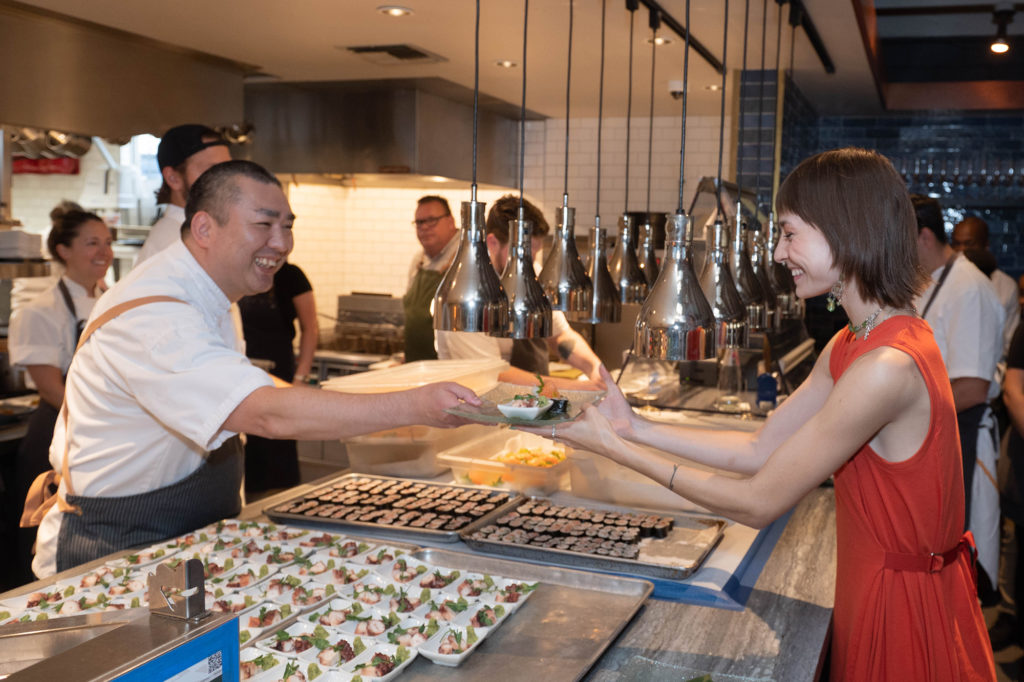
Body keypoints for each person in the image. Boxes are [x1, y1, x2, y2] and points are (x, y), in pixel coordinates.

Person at [530, 148, 995, 679]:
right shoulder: (853, 340)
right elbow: (761, 448)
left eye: (791, 234)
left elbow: (758, 501)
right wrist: (634, 425)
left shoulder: (886, 365)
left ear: (845, 233)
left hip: (901, 605)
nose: (778, 253)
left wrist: (618, 451)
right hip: (869, 579)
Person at [28, 160, 478, 578]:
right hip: (113, 547)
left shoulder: (210, 297)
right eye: (263, 225)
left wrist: (372, 409)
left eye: (286, 226)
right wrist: (417, 405)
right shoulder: (155, 315)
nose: (281, 243)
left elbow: (253, 384)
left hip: (182, 538)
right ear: (203, 226)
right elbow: (265, 412)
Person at [7, 205, 113, 585]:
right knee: (48, 535)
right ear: (64, 250)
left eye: (107, 242)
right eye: (92, 243)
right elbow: (52, 386)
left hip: (106, 430)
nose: (104, 251)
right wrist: (105, 420)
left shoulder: (118, 301)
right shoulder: (40, 311)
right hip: (61, 430)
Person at [912, 194, 1005, 598]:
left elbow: (971, 388)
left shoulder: (970, 289)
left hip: (960, 440)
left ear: (924, 236)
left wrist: (898, 409)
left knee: (956, 573)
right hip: (932, 437)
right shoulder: (928, 283)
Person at [435, 194, 603, 393]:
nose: (531, 261)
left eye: (535, 252)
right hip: (477, 412)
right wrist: (583, 388)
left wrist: (597, 371)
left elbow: (560, 337)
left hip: (527, 406)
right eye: (525, 251)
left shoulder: (531, 273)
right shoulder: (465, 295)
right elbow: (493, 374)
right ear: (493, 243)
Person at [237, 261, 317, 494]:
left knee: (278, 459)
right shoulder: (239, 273)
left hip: (280, 376)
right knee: (249, 458)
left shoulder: (292, 276)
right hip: (244, 380)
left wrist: (300, 377)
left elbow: (310, 328)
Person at [136, 124, 232, 264]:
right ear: (173, 178)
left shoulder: (201, 232)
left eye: (229, 169)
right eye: (212, 171)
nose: (227, 180)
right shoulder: (172, 243)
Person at [952, 215, 1019, 357]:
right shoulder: (942, 281)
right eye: (957, 244)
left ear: (986, 245)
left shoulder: (1006, 286)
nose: (962, 250)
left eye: (969, 244)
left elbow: (1010, 343)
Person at [403, 195, 459, 361]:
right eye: (419, 222)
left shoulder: (464, 259)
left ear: (451, 221)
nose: (424, 227)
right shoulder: (418, 261)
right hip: (416, 365)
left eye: (432, 220)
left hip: (446, 368)